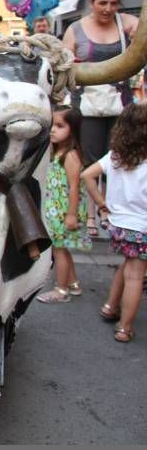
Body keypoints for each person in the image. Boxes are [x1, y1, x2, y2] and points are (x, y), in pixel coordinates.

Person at [64, 0, 139, 236]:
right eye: (102, 3)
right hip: (87, 105)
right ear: (92, 3)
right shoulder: (76, 29)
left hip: (119, 104)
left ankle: (109, 210)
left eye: (113, 3)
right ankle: (90, 215)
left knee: (116, 157)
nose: (108, 8)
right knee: (89, 159)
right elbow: (64, 61)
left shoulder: (126, 23)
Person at [81, 103, 147, 343]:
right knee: (135, 276)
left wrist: (102, 205)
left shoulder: (116, 156)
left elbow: (87, 175)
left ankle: (111, 305)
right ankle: (124, 327)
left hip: (117, 224)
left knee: (127, 264)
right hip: (141, 226)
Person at [37, 106, 92, 303]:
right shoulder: (58, 152)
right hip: (56, 210)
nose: (53, 129)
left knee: (58, 250)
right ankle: (73, 282)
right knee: (62, 248)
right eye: (52, 125)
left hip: (63, 212)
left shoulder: (70, 156)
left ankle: (61, 290)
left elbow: (74, 186)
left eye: (60, 126)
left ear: (73, 129)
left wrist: (71, 215)